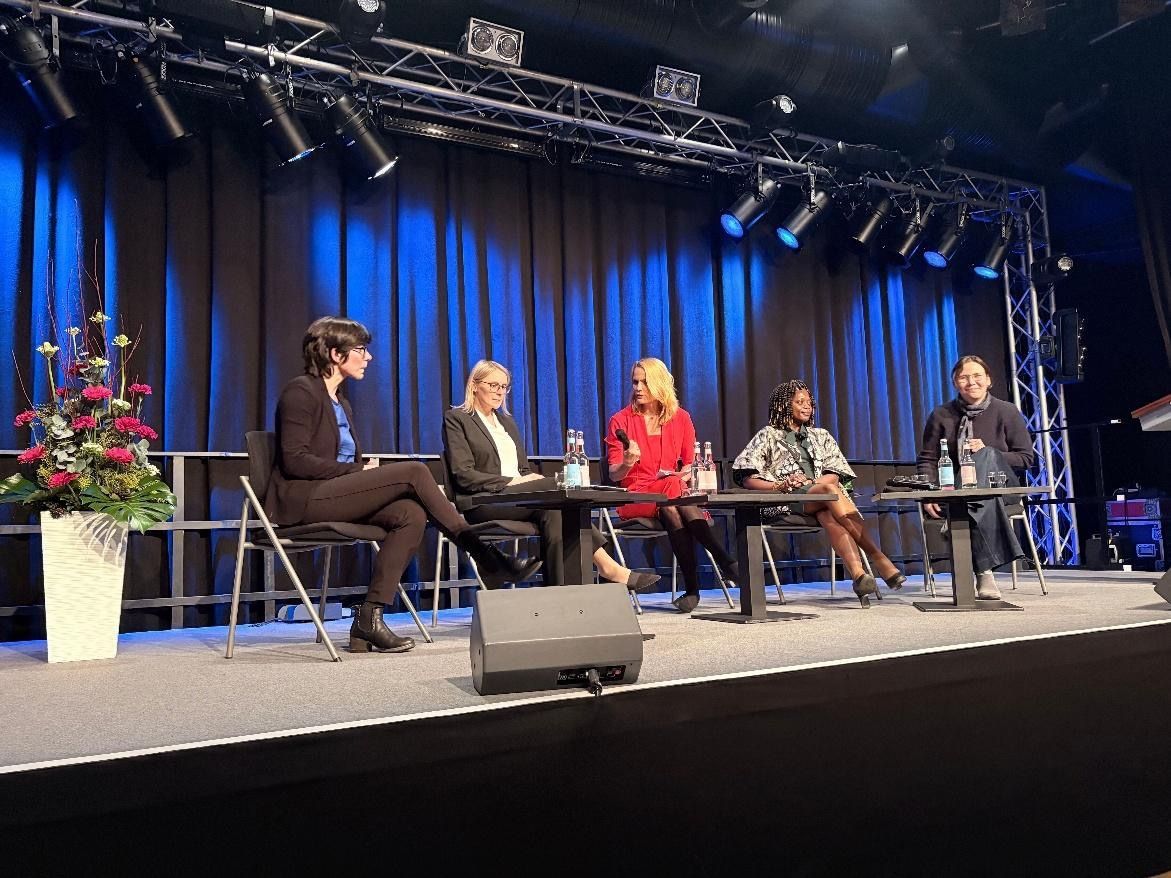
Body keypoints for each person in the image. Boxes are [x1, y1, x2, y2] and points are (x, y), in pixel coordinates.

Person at [267, 317, 542, 655]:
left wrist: (356, 471)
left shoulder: (342, 401)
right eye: (360, 350)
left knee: (410, 513)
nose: (367, 357)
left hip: (335, 492)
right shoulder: (300, 392)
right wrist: (354, 470)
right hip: (305, 499)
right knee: (413, 472)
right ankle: (483, 552)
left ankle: (368, 619)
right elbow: (295, 461)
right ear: (336, 354)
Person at [443, 360, 661, 593]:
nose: (500, 392)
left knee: (557, 508)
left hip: (518, 498)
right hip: (484, 500)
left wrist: (528, 479)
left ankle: (562, 595)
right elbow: (464, 475)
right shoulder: (457, 419)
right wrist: (515, 482)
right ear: (475, 385)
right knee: (560, 489)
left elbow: (522, 470)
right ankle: (609, 569)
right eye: (493, 385)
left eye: (504, 387)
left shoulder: (506, 422)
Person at [733, 380, 907, 608]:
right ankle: (878, 557)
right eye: (799, 402)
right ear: (784, 405)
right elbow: (747, 477)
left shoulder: (821, 436)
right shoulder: (768, 435)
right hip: (785, 501)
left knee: (828, 508)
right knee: (828, 494)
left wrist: (811, 482)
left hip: (820, 499)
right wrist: (779, 486)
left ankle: (858, 575)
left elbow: (834, 474)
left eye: (809, 403)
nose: (807, 407)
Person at [605, 357, 739, 614]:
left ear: (661, 385)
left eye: (645, 382)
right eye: (635, 382)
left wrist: (683, 473)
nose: (638, 388)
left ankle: (693, 590)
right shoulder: (620, 421)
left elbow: (692, 465)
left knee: (671, 504)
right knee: (673, 490)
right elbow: (614, 474)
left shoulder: (681, 419)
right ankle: (724, 560)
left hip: (670, 493)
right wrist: (627, 462)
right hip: (636, 496)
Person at [917, 354, 1033, 600]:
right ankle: (985, 572)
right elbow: (927, 459)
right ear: (955, 383)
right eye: (963, 377)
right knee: (981, 500)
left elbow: (1025, 459)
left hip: (1002, 487)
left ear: (989, 380)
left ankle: (960, 514)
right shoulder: (941, 415)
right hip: (957, 490)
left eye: (977, 376)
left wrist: (988, 452)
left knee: (987, 456)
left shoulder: (1007, 411)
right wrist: (928, 494)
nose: (971, 382)